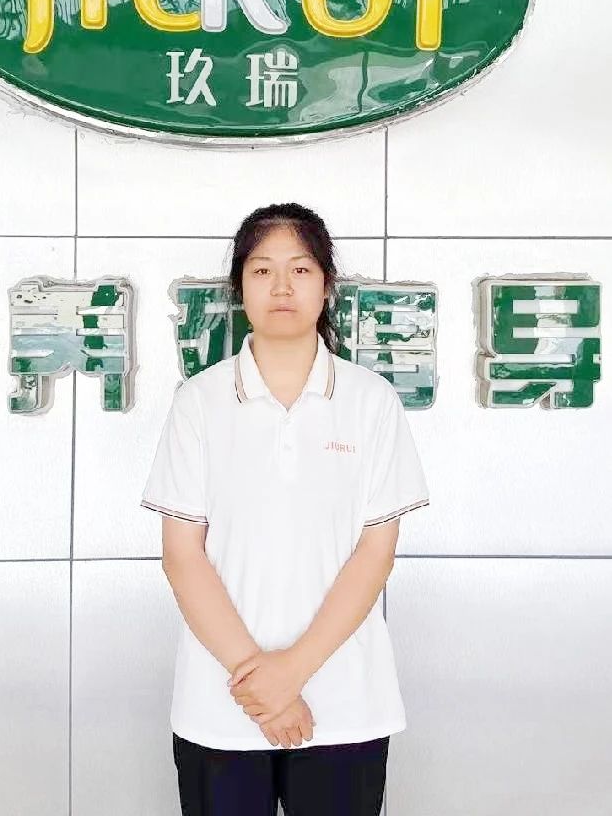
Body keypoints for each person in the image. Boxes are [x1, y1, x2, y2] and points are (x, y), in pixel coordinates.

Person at [140, 201, 431, 816]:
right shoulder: (199, 402)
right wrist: (261, 681)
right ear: (239, 288)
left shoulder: (370, 401)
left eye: (300, 270)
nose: (281, 287)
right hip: (221, 705)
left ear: (326, 286)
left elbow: (375, 554)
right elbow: (182, 556)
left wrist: (291, 673)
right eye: (262, 270)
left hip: (345, 702)